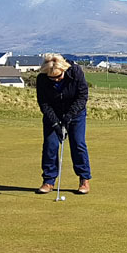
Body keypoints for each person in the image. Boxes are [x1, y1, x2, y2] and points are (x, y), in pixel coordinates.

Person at [36, 53, 92, 194]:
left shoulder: (75, 72)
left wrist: (68, 117)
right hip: (52, 114)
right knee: (50, 145)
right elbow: (44, 103)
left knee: (78, 143)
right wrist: (55, 123)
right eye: (52, 78)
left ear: (64, 70)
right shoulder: (42, 79)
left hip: (75, 113)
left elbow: (82, 97)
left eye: (58, 77)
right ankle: (48, 181)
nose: (55, 80)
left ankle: (84, 179)